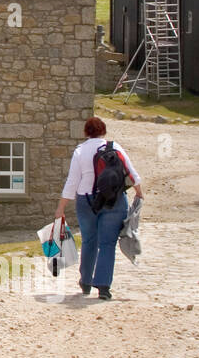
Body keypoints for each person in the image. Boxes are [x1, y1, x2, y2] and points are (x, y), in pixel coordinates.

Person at [55, 116, 144, 300]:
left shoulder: (80, 151)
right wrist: (139, 193)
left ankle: (86, 282)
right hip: (113, 200)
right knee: (107, 244)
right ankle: (103, 287)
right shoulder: (114, 147)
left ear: (86, 133)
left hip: (86, 201)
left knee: (89, 241)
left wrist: (61, 207)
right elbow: (131, 172)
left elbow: (72, 182)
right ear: (104, 131)